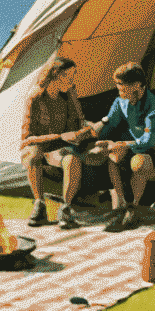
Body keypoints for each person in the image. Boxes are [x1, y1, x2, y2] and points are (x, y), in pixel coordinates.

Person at [77, 61, 155, 232]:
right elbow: (110, 121)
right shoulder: (120, 101)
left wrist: (124, 145)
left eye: (122, 87)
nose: (119, 91)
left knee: (138, 164)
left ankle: (134, 208)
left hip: (147, 149)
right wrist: (95, 135)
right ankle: (121, 205)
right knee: (113, 156)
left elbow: (149, 139)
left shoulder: (151, 105)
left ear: (137, 85)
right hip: (125, 145)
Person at [20, 54, 90, 229]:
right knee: (33, 154)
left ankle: (65, 209)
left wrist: (82, 132)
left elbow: (77, 124)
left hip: (59, 149)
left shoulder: (67, 96)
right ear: (54, 75)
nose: (72, 80)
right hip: (39, 147)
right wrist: (60, 136)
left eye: (74, 76)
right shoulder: (35, 97)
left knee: (72, 159)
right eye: (68, 76)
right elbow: (27, 138)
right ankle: (39, 205)